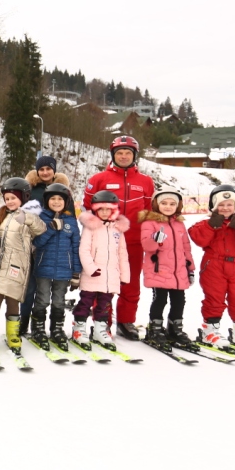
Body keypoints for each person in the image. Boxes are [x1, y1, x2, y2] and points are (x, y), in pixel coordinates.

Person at [82, 136, 154, 340]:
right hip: (104, 241)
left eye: (128, 153)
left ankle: (126, 321)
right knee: (103, 283)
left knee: (130, 283)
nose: (123, 156)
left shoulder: (145, 182)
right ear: (113, 155)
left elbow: (148, 211)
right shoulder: (99, 179)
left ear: (134, 156)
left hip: (133, 241)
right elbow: (87, 208)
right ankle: (102, 322)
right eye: (119, 153)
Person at [188, 185, 235, 353]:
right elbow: (199, 239)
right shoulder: (205, 224)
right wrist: (211, 225)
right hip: (213, 265)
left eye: (230, 205)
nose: (225, 208)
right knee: (214, 298)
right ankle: (209, 331)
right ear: (214, 206)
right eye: (221, 205)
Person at [0, 178, 46, 357]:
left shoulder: (29, 215)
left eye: (13, 198)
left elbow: (41, 229)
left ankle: (12, 334)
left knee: (12, 300)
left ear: (23, 198)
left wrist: (29, 218)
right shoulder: (1, 214)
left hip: (16, 265)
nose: (9, 201)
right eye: (7, 198)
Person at [139, 187, 196, 352]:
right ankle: (155, 329)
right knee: (160, 300)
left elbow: (186, 248)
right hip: (160, 271)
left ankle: (174, 329)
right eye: (164, 203)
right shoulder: (150, 222)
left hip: (179, 272)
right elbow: (147, 246)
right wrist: (155, 239)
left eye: (172, 203)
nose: (168, 206)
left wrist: (190, 268)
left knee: (179, 301)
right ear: (156, 204)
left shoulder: (179, 224)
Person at [72, 190, 130, 352]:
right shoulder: (91, 228)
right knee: (85, 302)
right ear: (95, 210)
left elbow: (122, 254)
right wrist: (91, 268)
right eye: (101, 209)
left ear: (114, 210)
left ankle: (100, 329)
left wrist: (124, 275)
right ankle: (79, 328)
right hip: (93, 275)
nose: (105, 213)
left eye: (108, 209)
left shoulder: (118, 230)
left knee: (104, 305)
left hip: (110, 276)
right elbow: (84, 250)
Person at [20, 155, 71, 334]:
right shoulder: (30, 189)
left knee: (48, 288)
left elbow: (69, 217)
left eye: (48, 169)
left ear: (54, 170)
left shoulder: (63, 190)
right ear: (37, 171)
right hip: (32, 243)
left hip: (52, 244)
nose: (45, 172)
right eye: (41, 169)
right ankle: (23, 321)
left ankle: (46, 324)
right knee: (29, 287)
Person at [30, 183, 81, 351]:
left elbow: (76, 248)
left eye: (60, 199)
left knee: (59, 301)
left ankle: (57, 329)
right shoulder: (41, 218)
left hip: (64, 270)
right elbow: (36, 242)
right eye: (53, 198)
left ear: (66, 202)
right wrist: (51, 228)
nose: (57, 202)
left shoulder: (71, 221)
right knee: (43, 299)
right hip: (43, 267)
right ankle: (38, 329)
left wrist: (76, 272)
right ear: (47, 200)